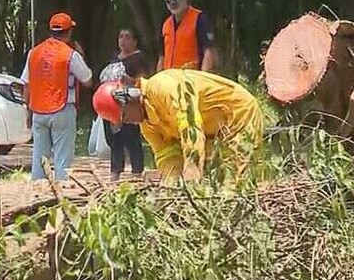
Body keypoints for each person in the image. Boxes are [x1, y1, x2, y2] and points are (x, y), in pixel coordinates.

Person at [92, 69, 263, 181]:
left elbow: (190, 125)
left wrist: (191, 172)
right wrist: (171, 188)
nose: (128, 123)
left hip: (237, 115)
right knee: (214, 180)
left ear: (130, 96)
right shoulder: (148, 126)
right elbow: (167, 156)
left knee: (235, 180)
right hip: (212, 132)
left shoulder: (163, 86)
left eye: (124, 116)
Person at [20, 12, 93, 181]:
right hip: (63, 109)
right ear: (68, 32)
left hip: (38, 110)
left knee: (39, 158)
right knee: (63, 159)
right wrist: (81, 57)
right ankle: (62, 197)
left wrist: (28, 111)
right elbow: (88, 80)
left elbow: (26, 84)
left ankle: (38, 195)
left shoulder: (34, 53)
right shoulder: (70, 55)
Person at [98, 28, 150, 181]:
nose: (123, 40)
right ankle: (115, 172)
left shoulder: (139, 59)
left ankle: (137, 173)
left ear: (135, 41)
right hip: (111, 103)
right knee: (115, 140)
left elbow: (144, 81)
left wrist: (131, 80)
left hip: (129, 104)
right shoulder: (114, 59)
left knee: (132, 139)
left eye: (127, 37)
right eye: (120, 36)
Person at [158, 0, 217, 72]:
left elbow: (209, 51)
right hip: (169, 80)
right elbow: (162, 56)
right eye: (168, 1)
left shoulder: (199, 19)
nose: (172, 3)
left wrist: (202, 78)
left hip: (191, 79)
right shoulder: (166, 24)